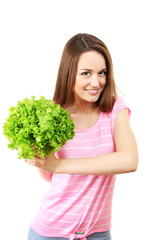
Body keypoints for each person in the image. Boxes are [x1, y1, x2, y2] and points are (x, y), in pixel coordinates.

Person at [26, 33, 138, 240]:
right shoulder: (53, 115)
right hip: (51, 231)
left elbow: (129, 160)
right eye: (86, 73)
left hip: (98, 233)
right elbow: (50, 176)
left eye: (102, 73)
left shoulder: (114, 109)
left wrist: (59, 166)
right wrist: (42, 160)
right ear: (69, 74)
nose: (96, 82)